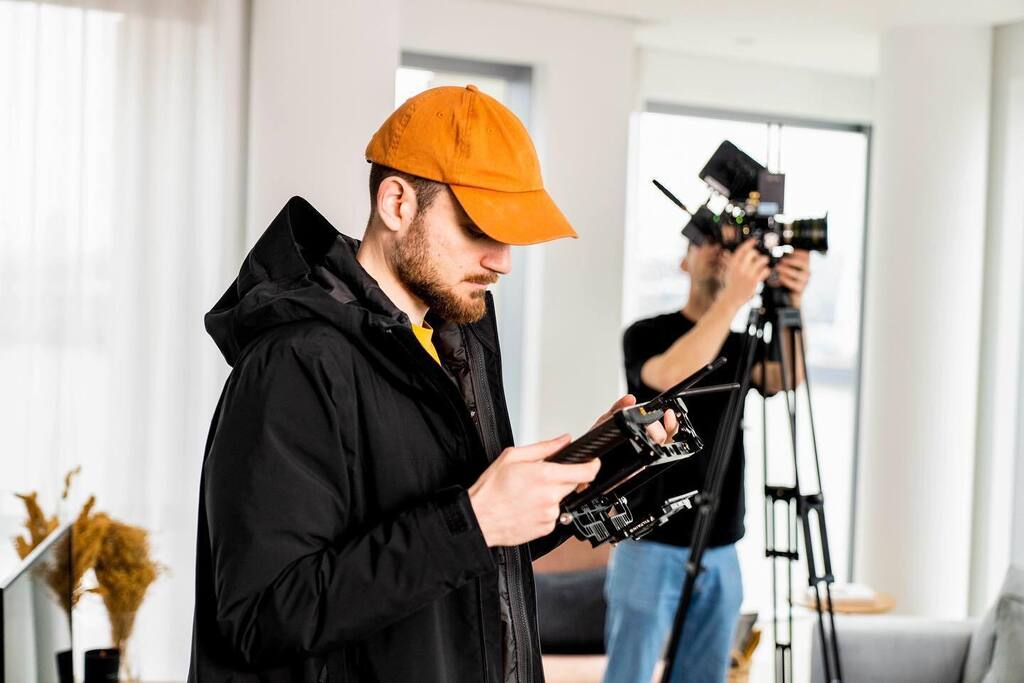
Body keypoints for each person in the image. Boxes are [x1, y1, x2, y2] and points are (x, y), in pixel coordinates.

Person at [188, 84, 677, 683]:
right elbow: (264, 616)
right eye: (479, 228)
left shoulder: (455, 344)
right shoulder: (295, 362)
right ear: (397, 203)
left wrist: (585, 474)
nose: (503, 260)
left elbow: (462, 564)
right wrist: (473, 523)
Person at [603, 238, 811, 683]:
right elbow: (665, 379)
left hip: (721, 543)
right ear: (684, 259)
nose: (722, 252)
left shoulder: (740, 345)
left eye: (732, 247)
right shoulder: (646, 333)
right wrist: (735, 297)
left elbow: (786, 375)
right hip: (650, 540)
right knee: (630, 675)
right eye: (708, 243)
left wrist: (792, 303)